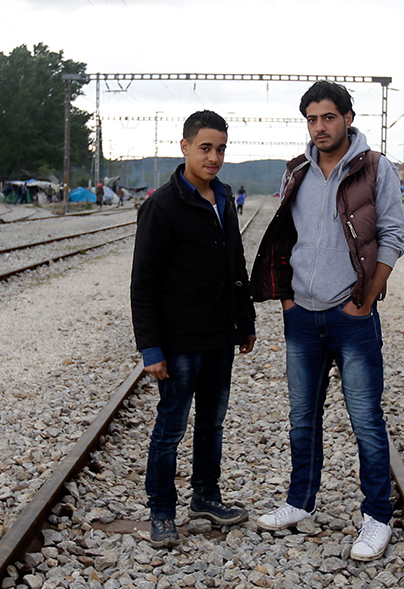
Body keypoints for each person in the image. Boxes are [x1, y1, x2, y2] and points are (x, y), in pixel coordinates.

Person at [249, 80, 404, 562]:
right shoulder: (296, 171)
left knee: (364, 419)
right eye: (312, 119)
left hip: (350, 317)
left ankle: (376, 517)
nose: (320, 127)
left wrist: (365, 300)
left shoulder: (376, 169)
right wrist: (288, 302)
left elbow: (393, 237)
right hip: (302, 316)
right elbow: (286, 237)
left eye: (328, 117)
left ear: (348, 118)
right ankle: (300, 502)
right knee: (302, 418)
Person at [131, 110, 257, 548]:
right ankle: (162, 511)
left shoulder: (223, 199)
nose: (214, 157)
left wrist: (245, 321)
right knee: (171, 428)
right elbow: (142, 283)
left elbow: (235, 266)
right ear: (184, 147)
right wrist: (151, 347)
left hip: (220, 336)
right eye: (205, 148)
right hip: (180, 340)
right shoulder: (161, 206)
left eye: (221, 149)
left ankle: (205, 497)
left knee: (212, 424)